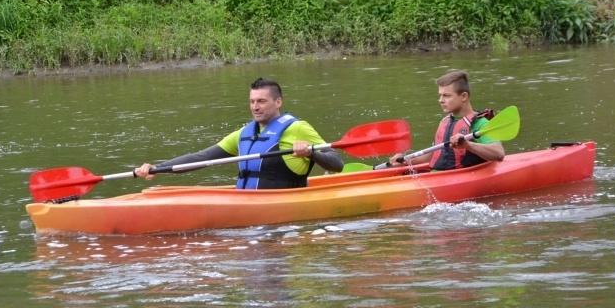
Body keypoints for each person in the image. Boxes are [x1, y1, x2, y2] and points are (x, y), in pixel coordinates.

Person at [136, 77, 344, 189]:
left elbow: (337, 163)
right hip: (246, 200)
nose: (255, 107)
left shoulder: (297, 127)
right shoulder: (243, 133)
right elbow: (202, 158)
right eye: (252, 101)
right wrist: (158, 168)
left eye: (261, 101)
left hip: (285, 205)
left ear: (278, 102)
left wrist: (311, 153)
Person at [387, 70, 504, 169]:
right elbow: (433, 154)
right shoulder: (445, 121)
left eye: (446, 95)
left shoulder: (481, 123)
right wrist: (406, 160)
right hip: (437, 176)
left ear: (464, 96)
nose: (441, 100)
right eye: (440, 95)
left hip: (461, 177)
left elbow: (499, 154)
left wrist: (468, 145)